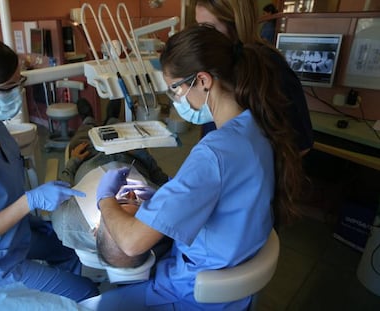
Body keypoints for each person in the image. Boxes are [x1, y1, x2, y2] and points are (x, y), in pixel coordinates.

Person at [92, 24, 304, 310]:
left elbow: (131, 242)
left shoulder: (214, 153)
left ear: (203, 80)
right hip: (235, 289)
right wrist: (168, 199)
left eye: (175, 90)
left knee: (90, 305)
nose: (177, 100)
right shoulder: (257, 125)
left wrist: (105, 199)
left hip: (191, 294)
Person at [0, 36, 99, 308]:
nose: (18, 93)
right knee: (87, 293)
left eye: (19, 82)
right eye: (8, 88)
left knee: (76, 250)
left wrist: (71, 165)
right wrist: (32, 200)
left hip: (17, 235)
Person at [51, 98, 172, 269]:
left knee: (82, 138)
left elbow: (63, 186)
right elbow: (158, 176)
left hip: (89, 157)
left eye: (119, 202)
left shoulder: (65, 221)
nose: (130, 193)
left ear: (95, 231)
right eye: (137, 201)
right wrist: (141, 154)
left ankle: (88, 119)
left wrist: (73, 161)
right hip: (131, 156)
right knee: (119, 129)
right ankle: (112, 117)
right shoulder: (161, 219)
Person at [193, 0, 314, 156]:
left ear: (236, 25)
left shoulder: (271, 69)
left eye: (208, 28)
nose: (200, 37)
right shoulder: (218, 63)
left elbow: (300, 145)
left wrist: (253, 172)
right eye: (199, 27)